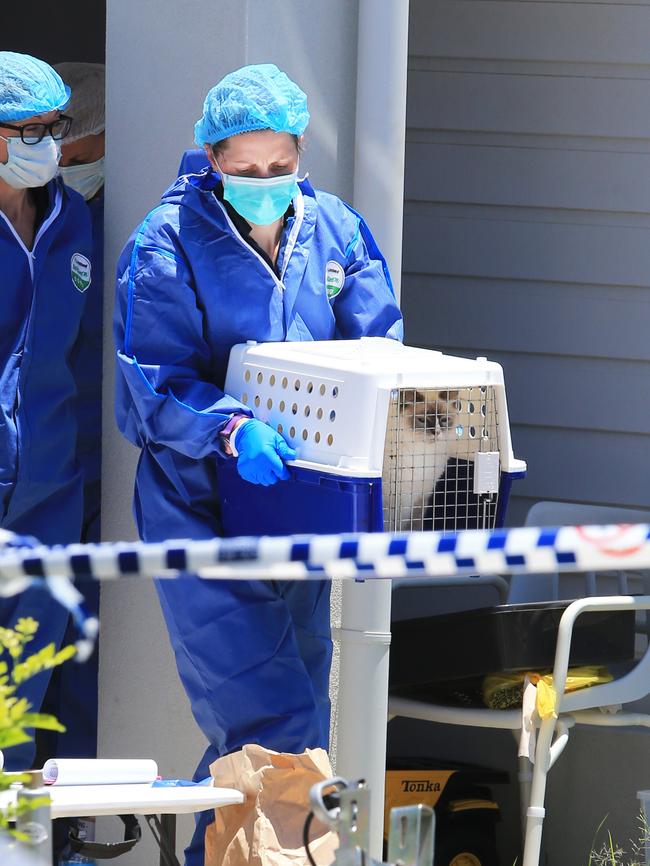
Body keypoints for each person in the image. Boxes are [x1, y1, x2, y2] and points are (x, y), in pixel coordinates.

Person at [114, 63, 403, 865]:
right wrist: (232, 430)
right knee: (277, 726)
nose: (267, 185)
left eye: (281, 169)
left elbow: (375, 343)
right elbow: (151, 383)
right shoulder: (165, 243)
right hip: (200, 513)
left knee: (291, 720)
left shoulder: (335, 227)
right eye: (247, 171)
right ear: (212, 159)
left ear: (300, 154)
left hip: (298, 513)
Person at [0, 51, 93, 770]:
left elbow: (81, 361)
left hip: (50, 499)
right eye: (25, 129)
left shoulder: (72, 222)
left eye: (50, 126)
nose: (45, 143)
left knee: (21, 700)